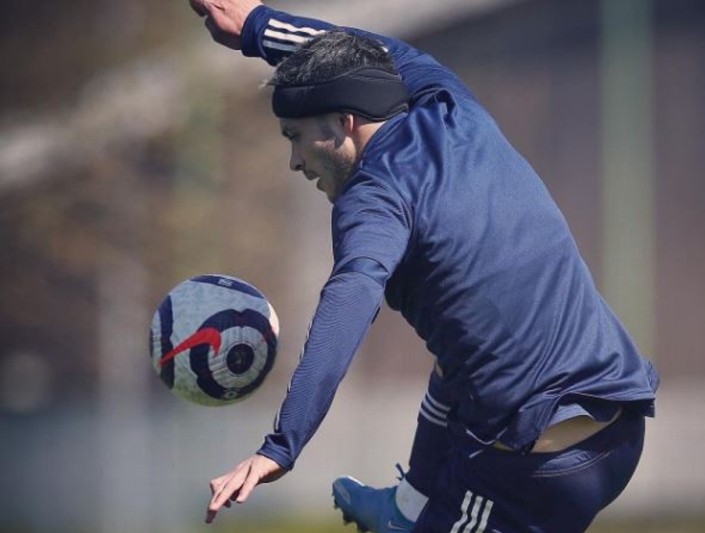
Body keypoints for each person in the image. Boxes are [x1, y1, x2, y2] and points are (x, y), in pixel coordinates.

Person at [188, 1, 660, 532]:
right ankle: (407, 508)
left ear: (345, 122)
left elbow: (347, 305)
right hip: (619, 419)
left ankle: (409, 517)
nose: (295, 162)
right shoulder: (448, 103)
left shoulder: (374, 202)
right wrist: (256, 24)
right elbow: (372, 50)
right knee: (459, 355)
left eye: (295, 136)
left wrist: (282, 444)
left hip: (537, 470)